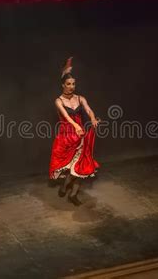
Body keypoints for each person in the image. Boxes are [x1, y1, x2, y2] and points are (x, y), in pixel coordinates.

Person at [49, 57, 100, 206]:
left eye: (73, 84)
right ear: (63, 85)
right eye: (69, 84)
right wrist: (76, 126)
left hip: (80, 136)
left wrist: (93, 119)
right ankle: (65, 186)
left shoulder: (80, 98)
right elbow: (66, 116)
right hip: (67, 136)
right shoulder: (58, 101)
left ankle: (73, 194)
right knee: (71, 169)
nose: (72, 86)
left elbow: (89, 110)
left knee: (80, 167)